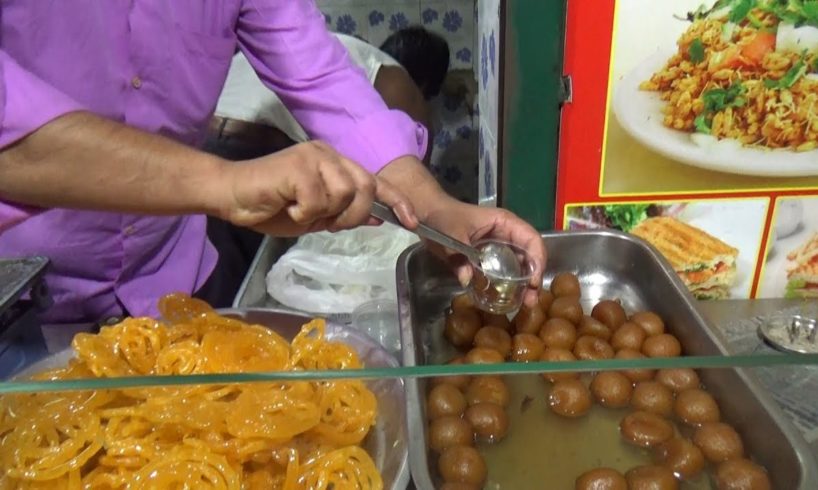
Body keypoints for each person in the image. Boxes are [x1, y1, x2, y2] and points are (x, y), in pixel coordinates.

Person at [0, 1, 546, 328]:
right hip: (20, 304)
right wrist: (223, 183)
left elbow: (314, 73)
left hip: (173, 284)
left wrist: (435, 207)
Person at [203, 27, 450, 292]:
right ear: (426, 84)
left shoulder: (349, 52)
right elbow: (410, 191)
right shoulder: (397, 81)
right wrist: (438, 210)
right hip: (253, 151)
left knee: (215, 282)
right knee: (239, 290)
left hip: (199, 151)